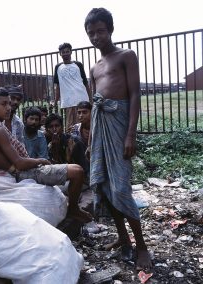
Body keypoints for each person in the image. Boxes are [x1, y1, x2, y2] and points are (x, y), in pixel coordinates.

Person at [85, 8, 152, 270]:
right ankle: (123, 239)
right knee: (103, 185)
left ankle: (142, 246)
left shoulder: (126, 56)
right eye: (91, 33)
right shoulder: (94, 68)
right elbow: (94, 106)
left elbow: (135, 94)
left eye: (100, 31)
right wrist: (91, 142)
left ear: (110, 30)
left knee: (121, 188)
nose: (96, 37)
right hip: (101, 131)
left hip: (120, 125)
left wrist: (130, 134)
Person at [0, 88, 92, 223]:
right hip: (20, 173)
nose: (8, 108)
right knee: (77, 171)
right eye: (4, 104)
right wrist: (41, 161)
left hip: (15, 170)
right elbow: (19, 163)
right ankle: (73, 210)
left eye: (9, 103)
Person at [53, 42, 91, 132]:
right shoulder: (58, 67)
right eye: (63, 52)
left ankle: (86, 144)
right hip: (68, 101)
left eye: (67, 51)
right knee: (70, 127)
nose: (65, 53)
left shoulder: (78, 65)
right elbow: (57, 85)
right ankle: (71, 145)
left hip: (82, 98)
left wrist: (90, 99)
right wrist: (55, 101)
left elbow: (85, 82)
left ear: (71, 52)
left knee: (85, 124)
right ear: (60, 54)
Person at [68, 101, 92, 179]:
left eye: (85, 112)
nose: (81, 115)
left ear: (92, 113)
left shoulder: (98, 128)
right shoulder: (75, 128)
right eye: (79, 113)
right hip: (80, 161)